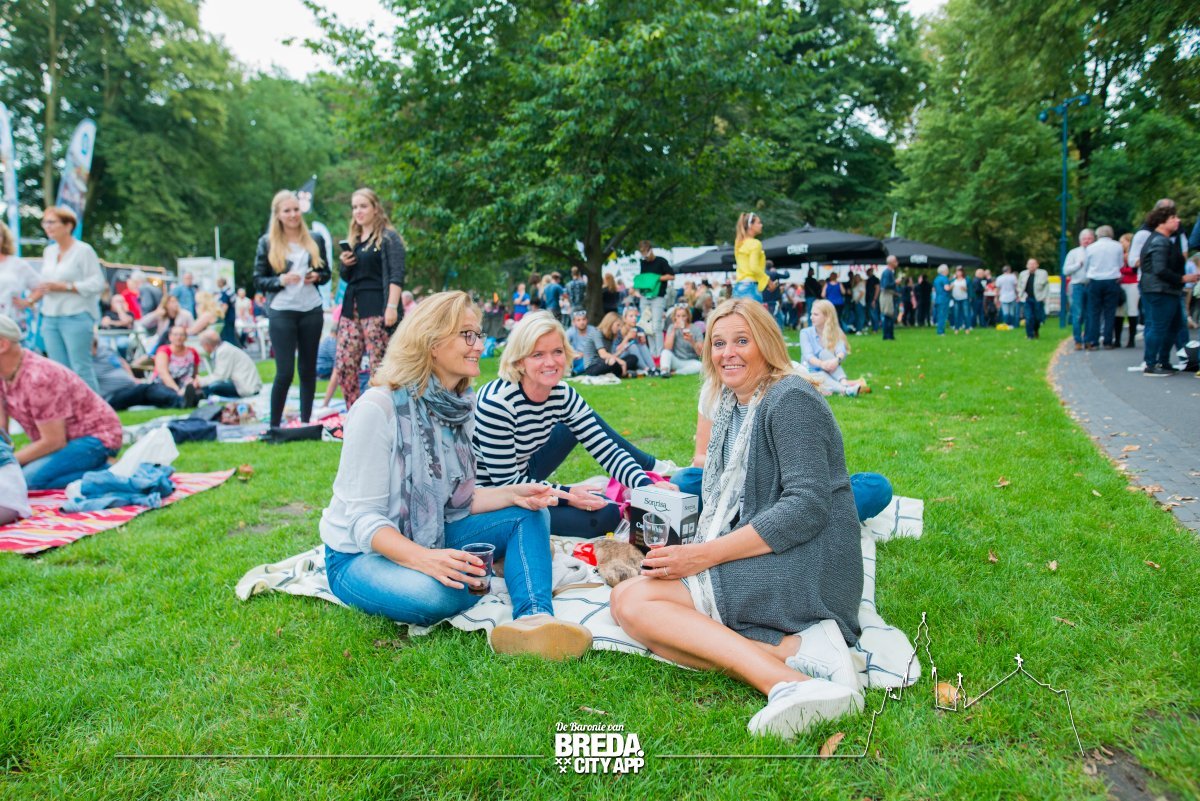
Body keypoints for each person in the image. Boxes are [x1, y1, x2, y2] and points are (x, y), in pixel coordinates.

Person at [609, 298, 865, 739]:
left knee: (636, 604)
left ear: (766, 343)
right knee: (627, 601)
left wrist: (704, 556)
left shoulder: (791, 399)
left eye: (742, 341)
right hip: (772, 549)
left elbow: (806, 507)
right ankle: (791, 652)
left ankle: (790, 683)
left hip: (811, 563)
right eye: (718, 343)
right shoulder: (731, 403)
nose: (727, 353)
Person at [319, 292, 591, 658]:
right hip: (358, 556)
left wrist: (514, 493)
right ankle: (496, 569)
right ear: (431, 342)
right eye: (467, 335)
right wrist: (425, 559)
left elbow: (458, 500)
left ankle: (534, 619)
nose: (479, 345)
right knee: (440, 594)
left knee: (531, 513)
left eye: (478, 335)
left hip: (431, 532)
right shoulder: (377, 408)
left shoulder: (459, 407)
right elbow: (363, 522)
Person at [474, 311, 673, 538]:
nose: (551, 362)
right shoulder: (498, 404)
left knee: (604, 506)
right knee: (606, 515)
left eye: (557, 351)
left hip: (525, 470)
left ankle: (653, 469)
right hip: (494, 497)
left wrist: (645, 486)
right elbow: (507, 485)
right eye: (538, 354)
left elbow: (606, 448)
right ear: (520, 360)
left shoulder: (562, 393)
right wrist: (569, 495)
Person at [0, 314, 123, 489]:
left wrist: (9, 463)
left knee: (26, 481)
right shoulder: (5, 373)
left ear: (2, 345)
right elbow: (2, 430)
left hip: (95, 439)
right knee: (12, 478)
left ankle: (114, 470)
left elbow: (54, 441)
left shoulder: (39, 377)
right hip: (61, 441)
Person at [253, 189, 331, 428]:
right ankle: (274, 426)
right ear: (278, 214)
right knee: (285, 371)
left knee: (308, 369)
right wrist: (280, 280)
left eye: (296, 209)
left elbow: (326, 273)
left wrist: (316, 276)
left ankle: (306, 422)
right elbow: (258, 279)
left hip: (311, 309)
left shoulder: (315, 239)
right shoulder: (267, 242)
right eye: (287, 210)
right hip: (282, 309)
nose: (293, 214)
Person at [336, 188, 407, 410]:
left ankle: (383, 413)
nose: (358, 211)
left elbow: (396, 274)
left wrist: (392, 306)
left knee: (379, 367)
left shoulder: (388, 238)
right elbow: (347, 277)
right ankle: (354, 411)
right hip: (352, 309)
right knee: (344, 364)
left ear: (375, 208)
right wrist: (345, 264)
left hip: (377, 307)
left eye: (363, 206)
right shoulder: (355, 241)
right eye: (354, 207)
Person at [26, 206, 105, 393]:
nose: (47, 226)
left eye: (52, 222)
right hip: (50, 317)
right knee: (58, 371)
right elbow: (46, 284)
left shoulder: (83, 251)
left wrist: (66, 287)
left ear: (68, 225)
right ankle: (67, 411)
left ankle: (95, 410)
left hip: (76, 316)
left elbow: (97, 283)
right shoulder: (49, 252)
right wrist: (30, 300)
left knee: (81, 368)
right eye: (45, 222)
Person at [1140, 205, 1199, 375]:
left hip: (1164, 289)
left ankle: (1163, 361)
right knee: (1159, 327)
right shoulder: (1160, 241)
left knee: (1174, 326)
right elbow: (1160, 269)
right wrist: (1182, 279)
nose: (1177, 220)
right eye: (1173, 218)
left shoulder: (1161, 240)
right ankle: (1151, 363)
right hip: (1161, 290)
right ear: (1161, 222)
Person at [91, 337, 186, 411]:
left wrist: (132, 378)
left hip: (130, 386)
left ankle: (181, 399)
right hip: (112, 396)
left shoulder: (104, 349)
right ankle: (180, 400)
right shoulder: (86, 362)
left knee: (153, 393)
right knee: (146, 389)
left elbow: (122, 362)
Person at [799, 300, 870, 397]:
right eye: (811, 314)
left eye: (815, 314)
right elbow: (808, 356)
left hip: (830, 370)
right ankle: (846, 389)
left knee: (824, 353)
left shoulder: (835, 331)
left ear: (826, 316)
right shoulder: (805, 333)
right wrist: (822, 364)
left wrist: (836, 361)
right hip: (811, 371)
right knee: (821, 375)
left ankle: (844, 382)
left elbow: (841, 351)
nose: (811, 317)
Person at [1083, 225, 1124, 350]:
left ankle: (1093, 341)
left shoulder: (1091, 248)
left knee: (1094, 313)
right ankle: (1107, 341)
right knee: (1109, 313)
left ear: (1097, 235)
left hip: (1095, 281)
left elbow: (1086, 266)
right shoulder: (1118, 246)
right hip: (1112, 280)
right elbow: (1120, 264)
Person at [196, 329, 262, 398]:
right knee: (210, 386)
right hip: (247, 385)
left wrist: (200, 382)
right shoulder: (224, 348)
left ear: (207, 345)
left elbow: (220, 376)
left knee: (213, 387)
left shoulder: (223, 351)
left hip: (246, 388)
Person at [0, 220, 40, 327]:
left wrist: (28, 301)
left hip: (11, 322)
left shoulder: (16, 264)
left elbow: (40, 287)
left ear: (4, 238)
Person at [569, 310, 629, 377]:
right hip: (592, 366)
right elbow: (603, 354)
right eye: (618, 325)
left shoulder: (611, 335)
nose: (619, 328)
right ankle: (575, 371)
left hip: (603, 362)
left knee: (632, 358)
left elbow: (609, 355)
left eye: (620, 326)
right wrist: (621, 362)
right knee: (616, 363)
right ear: (610, 323)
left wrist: (619, 352)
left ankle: (621, 372)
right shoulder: (597, 332)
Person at [152, 325, 201, 408]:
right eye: (175, 335)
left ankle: (187, 398)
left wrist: (193, 383)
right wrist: (177, 390)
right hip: (165, 384)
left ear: (186, 337)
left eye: (182, 335)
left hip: (186, 385)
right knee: (166, 394)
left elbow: (195, 374)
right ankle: (182, 401)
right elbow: (163, 374)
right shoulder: (163, 351)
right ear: (170, 337)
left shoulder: (192, 352)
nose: (178, 337)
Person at [1063, 229, 1093, 349]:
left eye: (1089, 238)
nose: (1087, 241)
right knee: (1078, 314)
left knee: (1090, 314)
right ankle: (1077, 340)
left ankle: (1088, 339)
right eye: (1084, 239)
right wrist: (1078, 265)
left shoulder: (1095, 251)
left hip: (1091, 285)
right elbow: (1065, 270)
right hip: (1077, 285)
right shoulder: (1073, 253)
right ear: (1080, 240)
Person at [612, 305, 658, 376]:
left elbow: (642, 348)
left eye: (636, 316)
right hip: (620, 357)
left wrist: (643, 341)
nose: (634, 318)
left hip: (636, 357)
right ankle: (646, 369)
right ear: (624, 319)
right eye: (631, 316)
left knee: (642, 345)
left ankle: (653, 368)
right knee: (632, 346)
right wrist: (627, 338)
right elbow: (616, 351)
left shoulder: (639, 329)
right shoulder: (619, 331)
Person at [661, 304, 704, 376]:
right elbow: (667, 348)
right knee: (665, 352)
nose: (681, 318)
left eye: (683, 316)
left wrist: (692, 341)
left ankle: (675, 372)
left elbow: (701, 354)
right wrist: (674, 330)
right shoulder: (672, 327)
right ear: (675, 317)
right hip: (676, 359)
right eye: (678, 316)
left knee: (700, 366)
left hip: (690, 361)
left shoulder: (696, 329)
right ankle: (664, 371)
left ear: (688, 316)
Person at [733, 214, 767, 302]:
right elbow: (754, 267)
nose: (761, 225)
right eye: (758, 223)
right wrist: (768, 281)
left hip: (738, 287)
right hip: (751, 288)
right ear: (750, 225)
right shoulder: (755, 243)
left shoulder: (738, 243)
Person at [1114, 232, 1140, 348]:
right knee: (1118, 311)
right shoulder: (1119, 255)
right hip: (1120, 284)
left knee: (1132, 310)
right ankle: (1117, 339)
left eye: (1122, 241)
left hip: (1132, 283)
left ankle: (1131, 339)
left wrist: (1122, 270)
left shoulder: (1135, 255)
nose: (1120, 244)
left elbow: (1134, 270)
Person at [1017, 258, 1049, 340]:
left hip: (1038, 299)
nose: (1031, 266)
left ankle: (1035, 330)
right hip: (1027, 298)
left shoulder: (1043, 273)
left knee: (1037, 318)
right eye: (1030, 264)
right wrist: (1020, 295)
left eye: (1033, 264)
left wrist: (1044, 297)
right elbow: (1019, 286)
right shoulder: (1023, 274)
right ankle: (1029, 335)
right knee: (1028, 317)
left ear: (1037, 265)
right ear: (1027, 265)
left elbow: (1046, 287)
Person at [215, 277, 240, 348]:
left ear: (221, 283)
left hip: (227, 318)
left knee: (227, 337)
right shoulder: (230, 291)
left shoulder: (224, 292)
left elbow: (225, 306)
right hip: (232, 316)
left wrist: (220, 316)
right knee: (231, 334)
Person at [879, 257, 897, 340]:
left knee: (889, 315)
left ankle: (889, 335)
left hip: (888, 295)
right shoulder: (887, 273)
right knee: (888, 315)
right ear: (891, 262)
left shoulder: (888, 272)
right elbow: (885, 285)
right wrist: (895, 282)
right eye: (895, 261)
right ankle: (887, 335)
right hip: (887, 295)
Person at [949, 266, 971, 333]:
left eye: (959, 271)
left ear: (962, 272)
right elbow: (949, 288)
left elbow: (970, 289)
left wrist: (965, 289)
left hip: (964, 298)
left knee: (966, 314)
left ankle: (967, 328)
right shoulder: (953, 280)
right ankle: (956, 328)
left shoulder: (966, 279)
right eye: (957, 271)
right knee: (956, 314)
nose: (958, 273)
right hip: (956, 299)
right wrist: (951, 287)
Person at [932, 264, 951, 335]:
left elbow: (934, 289)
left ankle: (939, 330)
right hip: (944, 299)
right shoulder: (944, 278)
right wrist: (952, 285)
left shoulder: (936, 279)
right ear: (944, 271)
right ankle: (941, 331)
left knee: (939, 315)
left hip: (937, 298)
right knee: (943, 316)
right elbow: (947, 288)